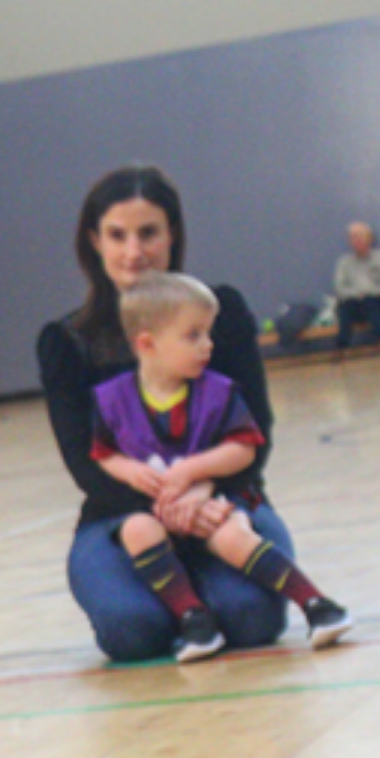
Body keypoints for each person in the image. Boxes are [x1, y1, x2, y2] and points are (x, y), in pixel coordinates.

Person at [39, 164, 302, 663]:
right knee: (133, 631)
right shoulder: (66, 342)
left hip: (222, 501)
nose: (134, 251)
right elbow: (86, 464)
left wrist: (203, 492)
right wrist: (166, 510)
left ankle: (209, 594)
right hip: (120, 517)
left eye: (148, 233)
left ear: (172, 234)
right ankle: (173, 604)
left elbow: (255, 435)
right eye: (118, 235)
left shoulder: (218, 313)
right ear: (94, 240)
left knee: (252, 618)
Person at [94, 274, 352, 661]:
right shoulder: (112, 399)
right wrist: (129, 472)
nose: (208, 345)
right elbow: (104, 453)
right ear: (146, 344)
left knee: (232, 537)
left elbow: (243, 449)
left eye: (208, 333)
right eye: (193, 335)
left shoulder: (218, 391)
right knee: (136, 529)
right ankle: (195, 621)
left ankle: (317, 605)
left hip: (216, 501)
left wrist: (194, 473)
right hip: (156, 509)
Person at [332, 221, 380, 353]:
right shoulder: (343, 262)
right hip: (354, 302)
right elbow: (339, 288)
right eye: (353, 237)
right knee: (344, 307)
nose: (356, 240)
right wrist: (357, 294)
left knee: (370, 302)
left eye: (360, 236)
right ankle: (341, 346)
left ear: (370, 239)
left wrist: (369, 292)